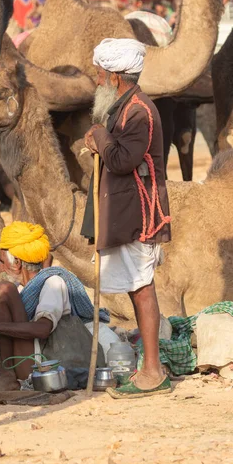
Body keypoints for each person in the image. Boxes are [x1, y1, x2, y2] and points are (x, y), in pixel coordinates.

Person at [81, 37, 172, 398]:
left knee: (142, 286)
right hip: (125, 210)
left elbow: (122, 160)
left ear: (116, 76)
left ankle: (153, 372)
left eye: (100, 74)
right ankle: (148, 368)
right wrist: (99, 138)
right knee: (137, 288)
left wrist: (101, 138)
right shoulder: (123, 107)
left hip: (140, 213)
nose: (98, 80)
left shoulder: (139, 113)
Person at [0, 222, 106, 390]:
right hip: (8, 358)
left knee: (4, 290)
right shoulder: (21, 290)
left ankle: (7, 375)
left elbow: (43, 329)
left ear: (18, 263)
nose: (0, 268)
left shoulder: (53, 283)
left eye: (2, 262)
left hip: (34, 365)